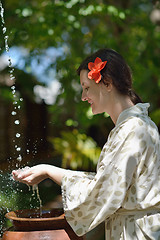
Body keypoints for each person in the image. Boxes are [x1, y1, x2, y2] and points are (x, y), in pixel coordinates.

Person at [12, 48, 160, 240]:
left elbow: (101, 194)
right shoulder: (133, 127)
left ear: (107, 83)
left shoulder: (133, 130)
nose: (83, 96)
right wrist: (47, 170)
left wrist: (49, 171)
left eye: (86, 87)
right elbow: (105, 183)